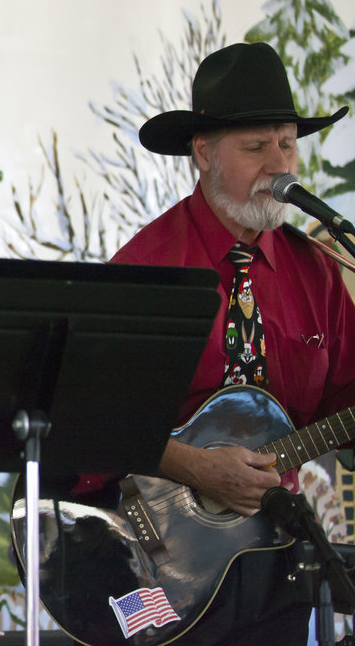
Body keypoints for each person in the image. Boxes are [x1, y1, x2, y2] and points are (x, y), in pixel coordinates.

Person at [109, 41, 355, 644]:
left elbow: (345, 406)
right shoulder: (144, 268)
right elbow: (90, 417)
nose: (279, 163)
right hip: (155, 562)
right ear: (203, 152)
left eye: (287, 143)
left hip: (278, 563)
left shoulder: (317, 273)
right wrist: (192, 465)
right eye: (255, 147)